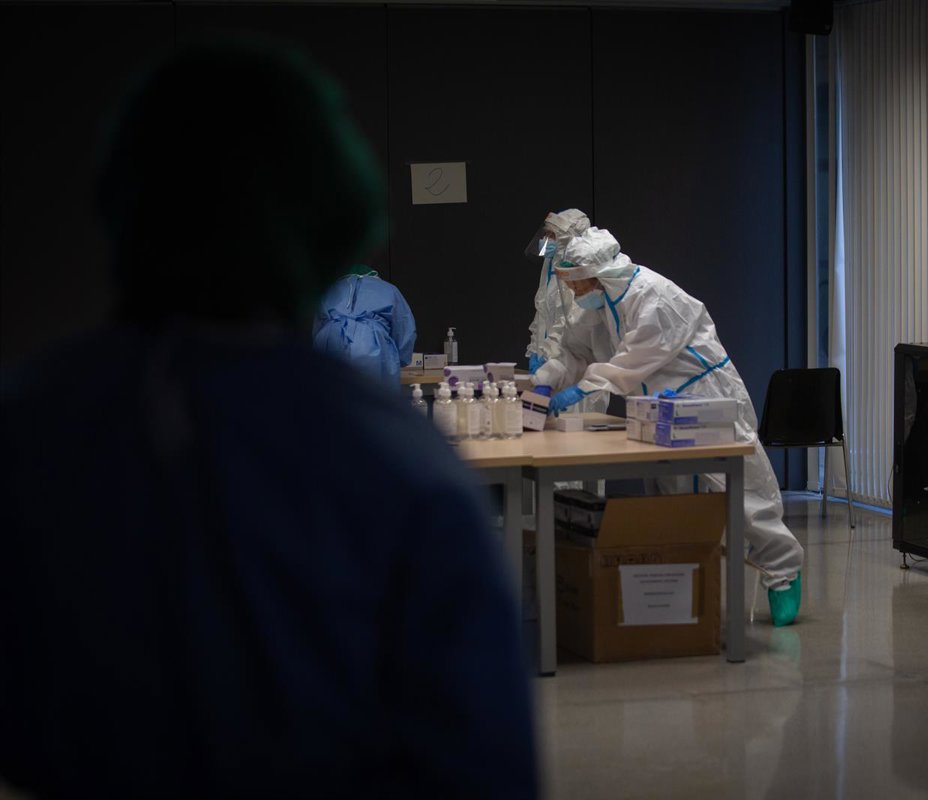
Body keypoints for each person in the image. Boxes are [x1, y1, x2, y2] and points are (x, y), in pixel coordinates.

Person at [0, 39, 537, 797]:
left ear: (119, 208)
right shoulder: (394, 462)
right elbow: (482, 755)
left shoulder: (35, 425)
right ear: (338, 219)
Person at [533, 227, 805, 626]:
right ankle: (681, 587)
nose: (574, 292)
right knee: (669, 496)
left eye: (577, 284)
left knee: (745, 491)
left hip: (705, 395)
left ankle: (783, 570)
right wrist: (551, 374)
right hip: (657, 409)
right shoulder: (601, 302)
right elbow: (577, 348)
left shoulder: (653, 296)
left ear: (598, 274)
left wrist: (582, 388)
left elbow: (631, 360)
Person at [313, 265, 417, 387]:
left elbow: (316, 329)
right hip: (371, 346)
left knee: (328, 395)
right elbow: (404, 332)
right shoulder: (389, 290)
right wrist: (400, 359)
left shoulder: (329, 290)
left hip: (330, 344)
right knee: (371, 395)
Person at [524, 208, 590, 374]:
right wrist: (535, 350)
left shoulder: (578, 274)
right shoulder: (549, 267)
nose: (545, 240)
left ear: (567, 239)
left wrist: (549, 355)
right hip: (547, 361)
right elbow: (541, 314)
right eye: (545, 234)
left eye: (551, 235)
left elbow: (569, 323)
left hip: (568, 364)